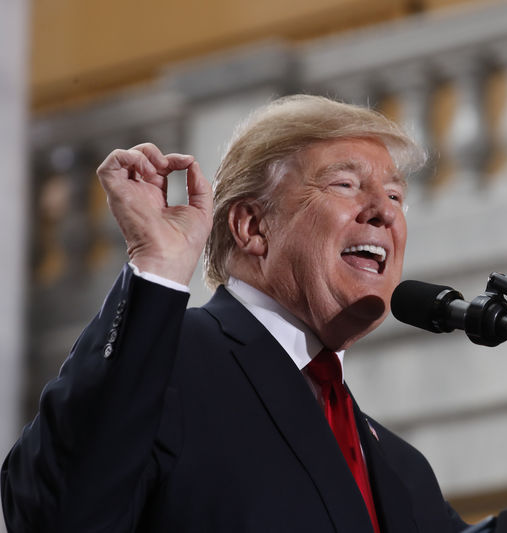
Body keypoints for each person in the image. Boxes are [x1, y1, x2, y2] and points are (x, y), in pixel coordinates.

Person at [1, 95, 469, 532]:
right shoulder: (166, 360)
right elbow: (57, 510)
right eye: (345, 184)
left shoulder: (405, 473)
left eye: (394, 196)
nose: (382, 212)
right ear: (252, 226)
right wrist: (158, 266)